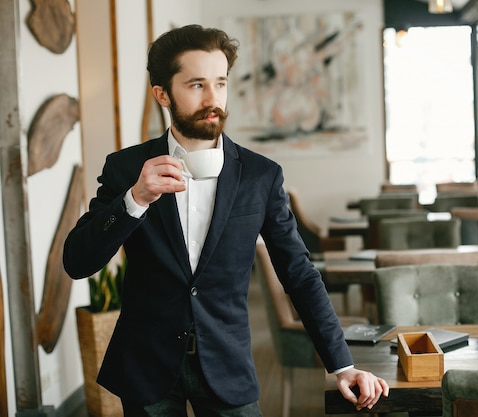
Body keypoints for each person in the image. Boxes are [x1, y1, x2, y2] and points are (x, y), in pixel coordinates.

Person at [63, 24, 388, 417]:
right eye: (197, 85)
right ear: (162, 94)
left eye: (220, 83)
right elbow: (77, 262)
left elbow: (299, 272)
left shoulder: (260, 175)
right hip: (146, 366)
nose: (213, 98)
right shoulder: (127, 168)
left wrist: (342, 364)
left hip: (228, 364)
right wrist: (135, 198)